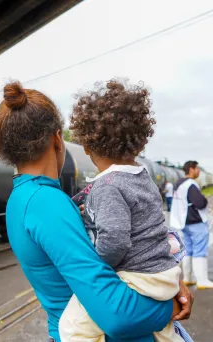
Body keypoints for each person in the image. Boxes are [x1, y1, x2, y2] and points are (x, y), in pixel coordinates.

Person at [0, 80, 193, 342]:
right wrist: (170, 305)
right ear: (57, 139)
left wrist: (161, 276)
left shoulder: (23, 197)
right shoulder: (46, 202)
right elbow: (116, 316)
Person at [57, 79, 189, 342]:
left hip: (138, 277)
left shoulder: (107, 186)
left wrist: (96, 267)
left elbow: (115, 240)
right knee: (160, 331)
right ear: (138, 142)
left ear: (87, 146)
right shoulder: (143, 177)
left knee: (71, 328)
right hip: (163, 275)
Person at [171, 160, 212, 289]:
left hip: (184, 222)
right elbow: (200, 203)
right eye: (197, 168)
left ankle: (188, 278)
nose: (199, 171)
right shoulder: (191, 184)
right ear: (192, 169)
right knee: (200, 250)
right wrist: (205, 200)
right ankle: (202, 280)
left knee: (188, 251)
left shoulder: (178, 183)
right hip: (196, 222)